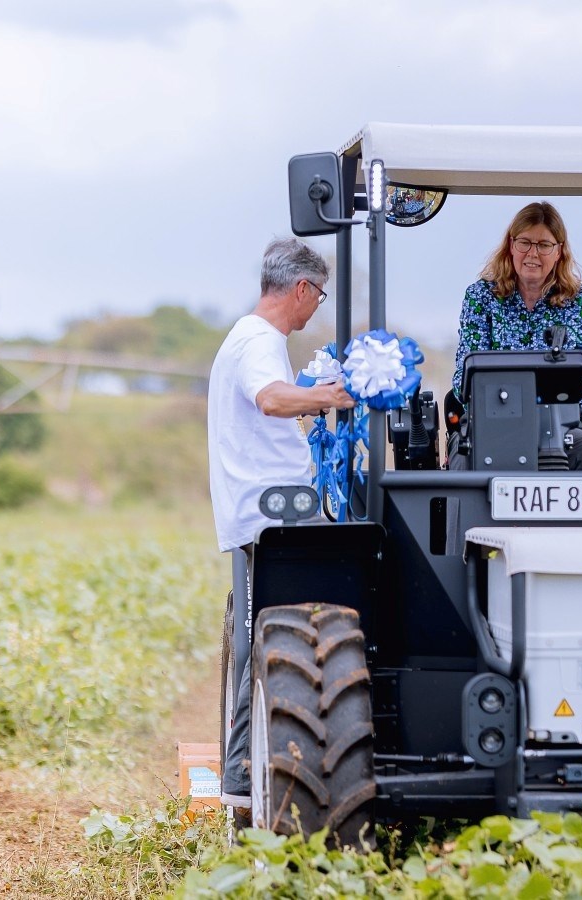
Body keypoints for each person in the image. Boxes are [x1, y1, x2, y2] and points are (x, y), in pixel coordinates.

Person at [207, 236, 355, 811]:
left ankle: (245, 772)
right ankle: (244, 777)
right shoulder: (259, 342)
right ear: (299, 288)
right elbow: (270, 400)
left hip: (268, 511)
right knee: (270, 639)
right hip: (272, 516)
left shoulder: (249, 338)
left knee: (263, 635)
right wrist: (327, 397)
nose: (317, 305)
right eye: (318, 294)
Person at [449, 202, 582, 470]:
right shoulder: (481, 297)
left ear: (559, 251)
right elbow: (463, 380)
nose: (532, 253)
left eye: (543, 245)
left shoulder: (580, 302)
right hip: (492, 426)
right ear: (511, 245)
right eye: (525, 242)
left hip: (562, 429)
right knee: (463, 455)